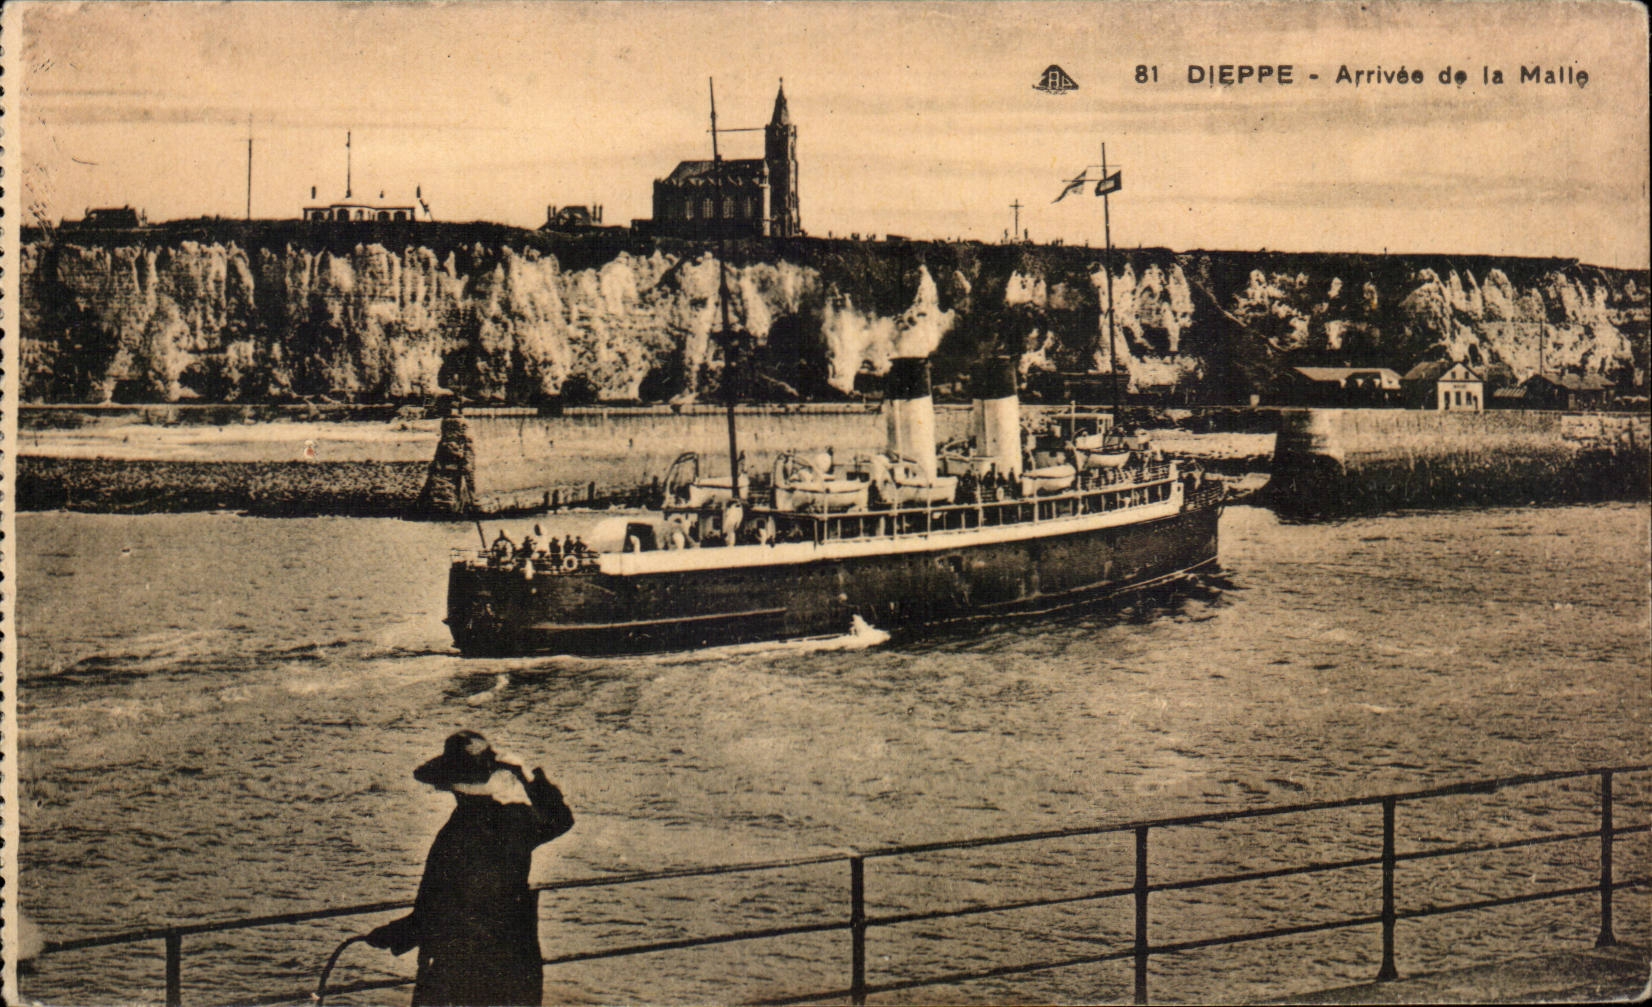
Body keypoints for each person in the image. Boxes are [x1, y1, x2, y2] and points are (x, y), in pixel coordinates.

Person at [366, 731, 575, 1007]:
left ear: (455, 786)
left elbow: (443, 912)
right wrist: (529, 777)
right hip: (516, 972)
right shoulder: (516, 820)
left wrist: (391, 934)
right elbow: (561, 819)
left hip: (466, 975)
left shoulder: (458, 835)